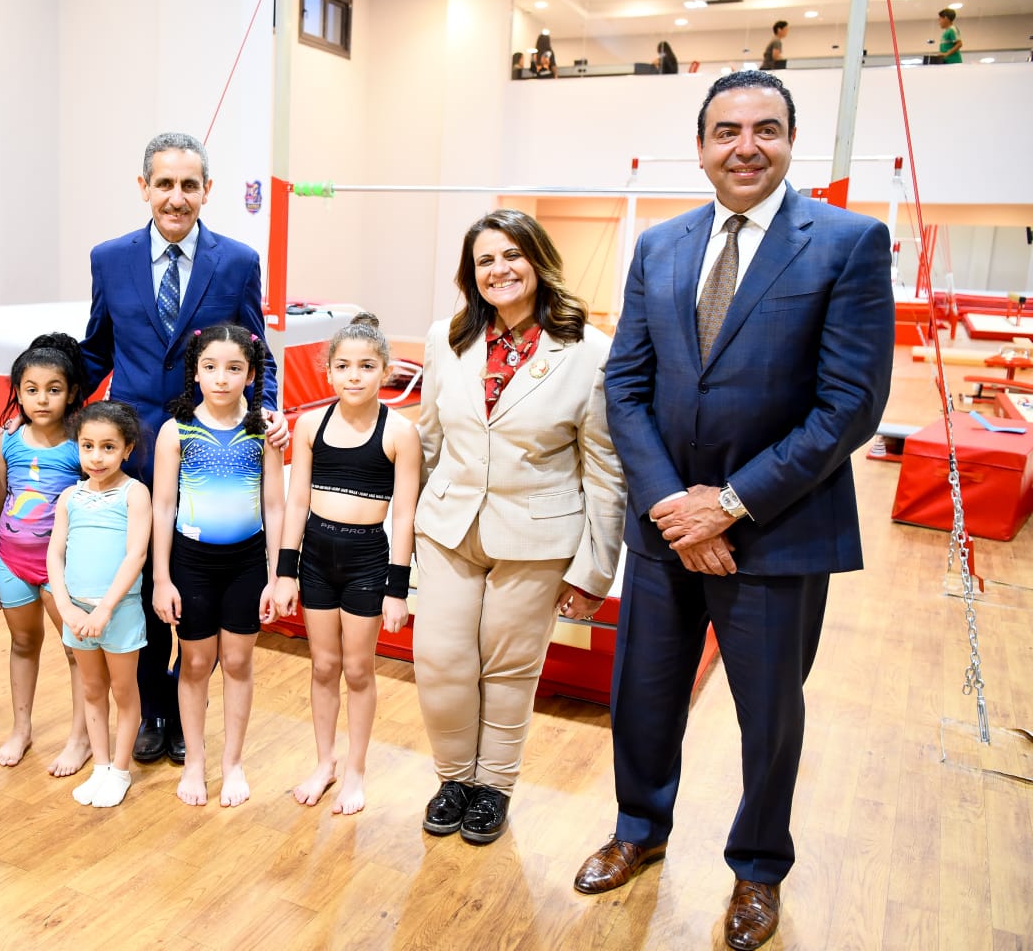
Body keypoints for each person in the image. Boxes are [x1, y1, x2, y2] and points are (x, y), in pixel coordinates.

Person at [572, 71, 894, 951]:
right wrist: (672, 504)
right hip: (665, 528)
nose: (745, 147)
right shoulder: (661, 245)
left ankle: (758, 867)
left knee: (768, 714)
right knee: (644, 694)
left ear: (790, 141)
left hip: (779, 530)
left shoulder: (847, 242)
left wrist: (731, 504)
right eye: (726, 131)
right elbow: (625, 384)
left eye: (765, 129)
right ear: (702, 145)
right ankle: (638, 828)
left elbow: (849, 406)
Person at [414, 210, 626, 845]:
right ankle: (454, 778)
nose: (499, 270)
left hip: (537, 534)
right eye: (485, 260)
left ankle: (493, 787)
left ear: (538, 260)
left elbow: (604, 467)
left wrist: (594, 571)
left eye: (512, 255)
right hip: (449, 526)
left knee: (509, 669)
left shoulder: (589, 350)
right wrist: (402, 531)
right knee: (441, 662)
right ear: (470, 273)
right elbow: (428, 441)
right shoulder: (447, 338)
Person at [82, 132, 284, 767]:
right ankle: (153, 710)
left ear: (207, 191)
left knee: (198, 594)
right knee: (144, 587)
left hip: (211, 455)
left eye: (189, 185)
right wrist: (42, 407)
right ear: (143, 187)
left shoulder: (237, 262)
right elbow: (96, 348)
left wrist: (268, 411)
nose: (176, 197)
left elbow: (257, 353)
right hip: (136, 451)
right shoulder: (109, 258)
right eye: (164, 184)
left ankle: (181, 698)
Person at [272, 313, 422, 816]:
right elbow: (296, 502)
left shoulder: (400, 432)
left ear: (385, 371)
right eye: (343, 366)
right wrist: (285, 572)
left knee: (357, 669)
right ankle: (325, 763)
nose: (354, 376)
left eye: (366, 366)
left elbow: (404, 515)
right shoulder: (310, 425)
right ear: (328, 371)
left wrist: (397, 590)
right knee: (323, 666)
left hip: (366, 562)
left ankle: (355, 769)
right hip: (315, 558)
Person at [152, 324, 285, 808]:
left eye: (234, 368)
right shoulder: (177, 430)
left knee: (238, 662)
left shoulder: (263, 429)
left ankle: (233, 763)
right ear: (195, 372)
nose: (222, 378)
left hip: (246, 563)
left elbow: (275, 506)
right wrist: (162, 577)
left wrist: (277, 576)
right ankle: (195, 761)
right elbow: (163, 507)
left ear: (251, 375)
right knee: (194, 663)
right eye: (210, 367)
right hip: (192, 563)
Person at [0, 333, 95, 774]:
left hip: (62, 569)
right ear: (17, 392)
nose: (42, 399)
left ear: (71, 393)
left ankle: (81, 738)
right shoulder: (6, 442)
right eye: (31, 390)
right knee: (22, 643)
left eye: (54, 389)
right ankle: (21, 729)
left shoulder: (81, 444)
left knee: (75, 651)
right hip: (12, 562)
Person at [47, 401, 152, 808]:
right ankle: (101, 766)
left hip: (118, 612)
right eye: (87, 446)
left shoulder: (134, 493)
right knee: (92, 689)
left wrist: (106, 608)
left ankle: (120, 771)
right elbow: (55, 554)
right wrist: (66, 608)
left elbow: (136, 554)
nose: (96, 456)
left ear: (127, 449)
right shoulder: (70, 497)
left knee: (124, 691)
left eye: (108, 447)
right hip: (76, 612)